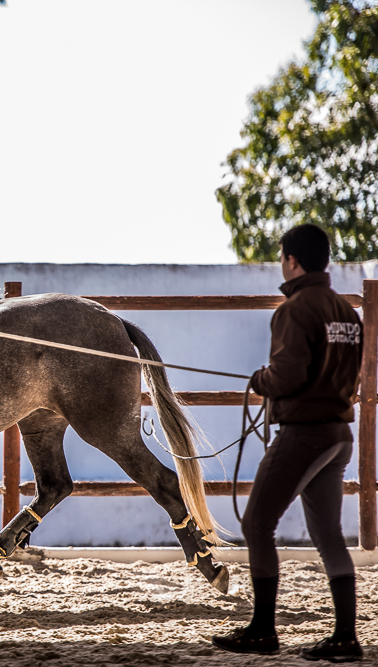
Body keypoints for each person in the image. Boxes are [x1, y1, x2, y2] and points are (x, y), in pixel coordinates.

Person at [212, 224, 363, 662]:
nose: (281, 263)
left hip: (305, 433)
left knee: (257, 523)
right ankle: (345, 637)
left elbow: (288, 376)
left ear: (292, 260)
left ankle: (262, 630)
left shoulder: (295, 309)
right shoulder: (346, 312)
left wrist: (261, 380)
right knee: (328, 534)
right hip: (338, 434)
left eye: (282, 256)